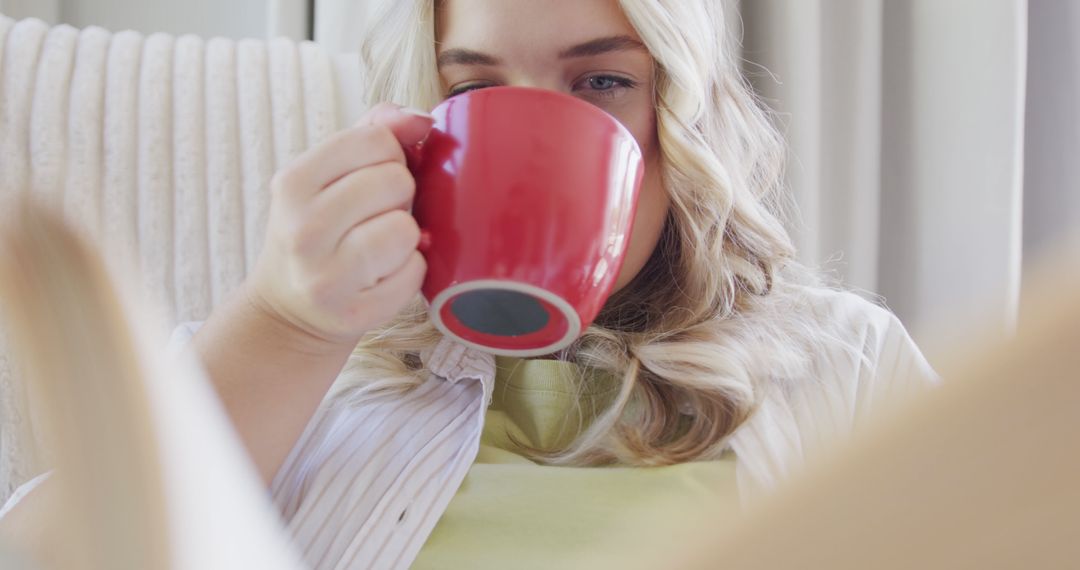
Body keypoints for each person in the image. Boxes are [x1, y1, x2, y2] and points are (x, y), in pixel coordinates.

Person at [3, 1, 938, 569]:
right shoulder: (308, 368)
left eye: (602, 80)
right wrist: (285, 328)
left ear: (681, 113)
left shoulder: (839, 365)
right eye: (477, 87)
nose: (535, 138)